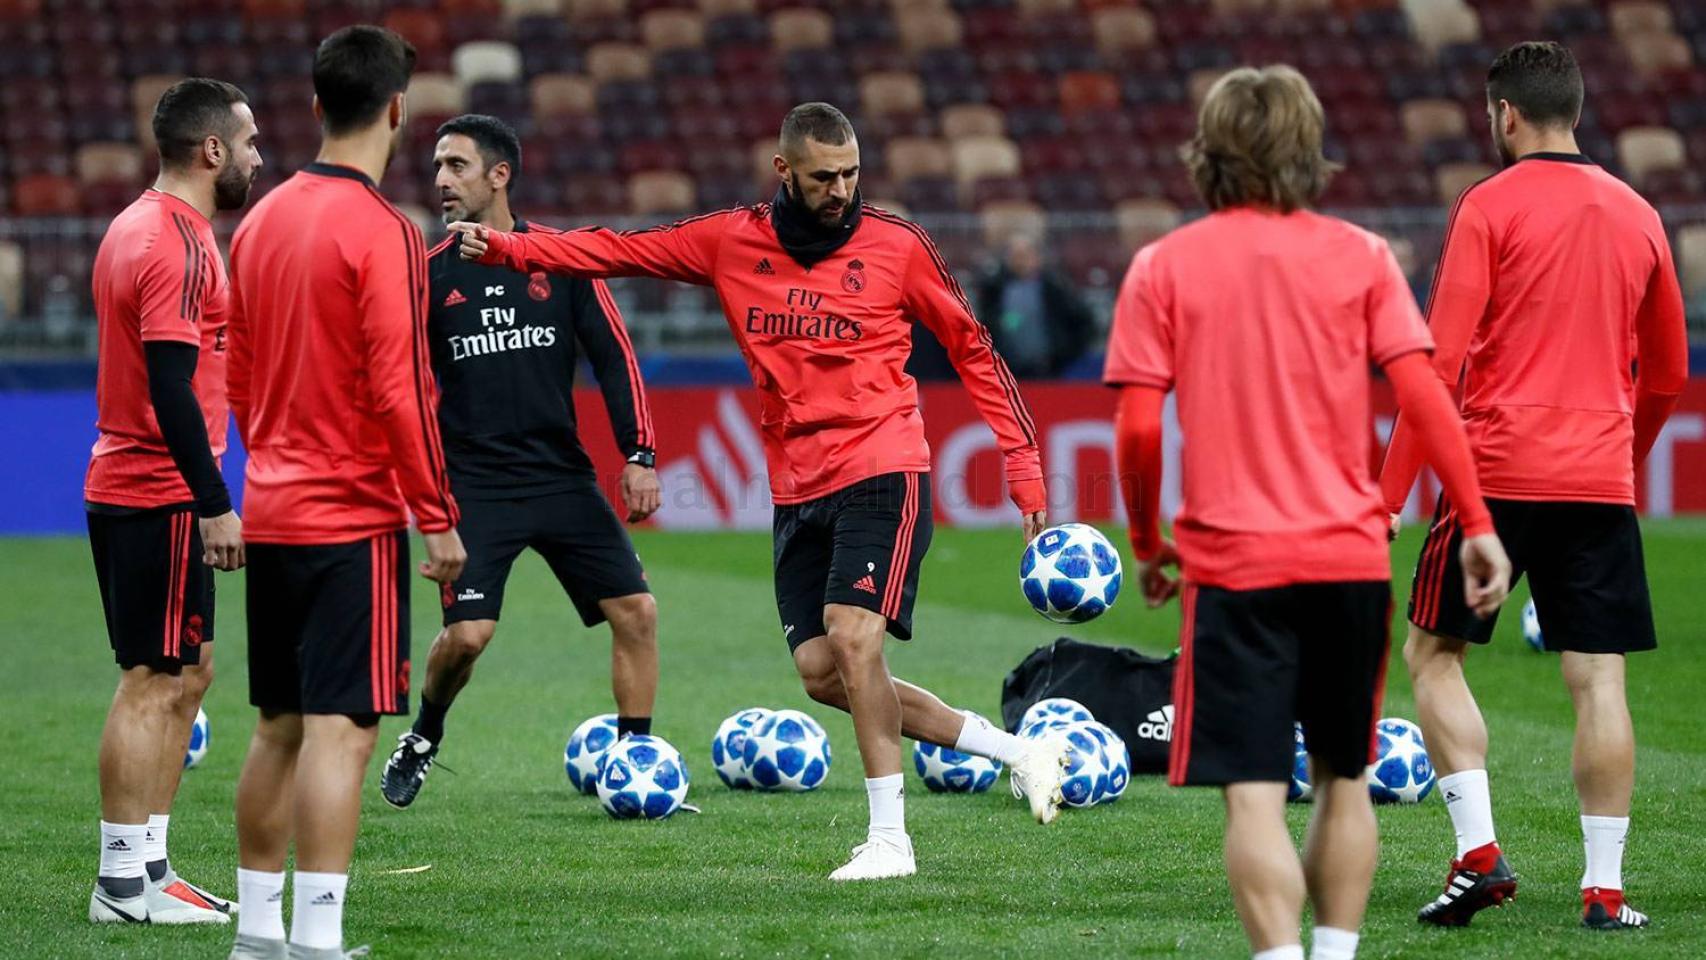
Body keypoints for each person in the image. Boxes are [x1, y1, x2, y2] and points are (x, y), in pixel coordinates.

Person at [453, 101, 1072, 882]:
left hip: (884, 464)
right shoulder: (729, 240)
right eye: (823, 177)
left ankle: (890, 840)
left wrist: (1022, 464)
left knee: (854, 636)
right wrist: (511, 250)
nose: (841, 189)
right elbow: (617, 249)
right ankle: (1019, 751)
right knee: (824, 672)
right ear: (785, 171)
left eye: (850, 173)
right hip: (795, 484)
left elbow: (973, 348)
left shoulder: (899, 246)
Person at [1107, 67, 1512, 960]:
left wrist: (1146, 540)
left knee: (1252, 793)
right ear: (1306, 149)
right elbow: (1426, 394)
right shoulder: (1363, 256)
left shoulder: (1162, 266)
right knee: (1343, 781)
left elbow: (1137, 428)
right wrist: (1477, 522)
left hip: (1233, 567)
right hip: (1349, 561)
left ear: (1206, 154)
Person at [1379, 41, 1689, 931]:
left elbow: (1434, 365)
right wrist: (1623, 460)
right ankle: (1605, 890)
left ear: (1504, 114)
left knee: (1433, 658)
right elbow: (1666, 372)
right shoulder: (1639, 213)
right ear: (1577, 111)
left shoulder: (1488, 204)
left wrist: (1388, 495)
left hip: (1495, 477)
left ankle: (1479, 855)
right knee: (1599, 681)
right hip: (1595, 479)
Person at [224, 26, 465, 960]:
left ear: (318, 107)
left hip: (275, 508)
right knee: (345, 732)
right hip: (352, 520)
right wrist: (435, 519)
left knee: (277, 728)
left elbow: (237, 373)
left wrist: (269, 463)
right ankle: (318, 942)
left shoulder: (260, 220)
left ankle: (256, 935)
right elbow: (400, 390)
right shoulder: (388, 233)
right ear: (399, 111)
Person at [380, 114, 662, 808]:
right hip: (475, 486)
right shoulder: (425, 276)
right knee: (468, 637)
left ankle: (634, 764)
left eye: (457, 166)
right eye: (438, 167)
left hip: (562, 479)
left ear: (500, 176)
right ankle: (424, 735)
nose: (441, 180)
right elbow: (399, 385)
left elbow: (614, 357)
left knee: (638, 612)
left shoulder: (561, 260)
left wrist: (639, 453)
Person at [85, 76, 260, 926]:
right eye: (252, 142)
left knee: (189, 671)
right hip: (156, 487)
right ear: (213, 149)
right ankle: (122, 885)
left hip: (147, 482)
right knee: (152, 681)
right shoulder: (177, 242)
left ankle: (150, 872)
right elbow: (170, 384)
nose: (260, 157)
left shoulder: (135, 226)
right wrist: (215, 499)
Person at [976, 232, 1095, 379]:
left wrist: (1067, 352)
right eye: (1015, 256)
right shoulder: (995, 290)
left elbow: (1082, 320)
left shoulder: (1055, 288)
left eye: (1025, 255)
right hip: (1007, 370)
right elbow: (989, 324)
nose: (1020, 261)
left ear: (1037, 257)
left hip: (1049, 370)